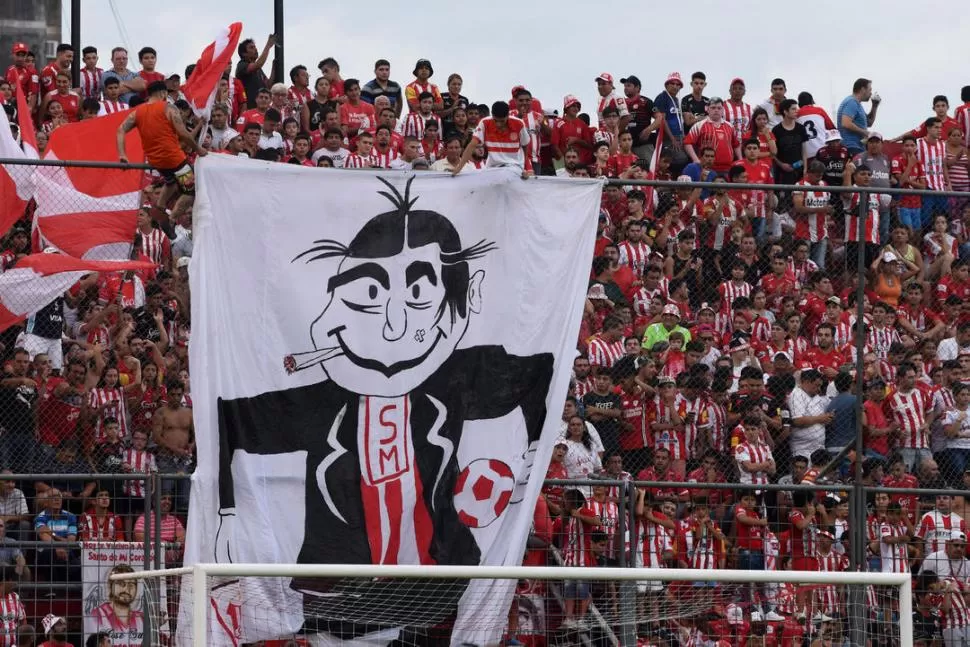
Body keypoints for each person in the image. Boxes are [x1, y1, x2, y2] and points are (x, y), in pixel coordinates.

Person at [117, 81, 206, 229]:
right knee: (191, 190)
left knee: (171, 182)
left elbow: (120, 130)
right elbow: (183, 133)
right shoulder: (168, 108)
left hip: (156, 161)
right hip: (174, 159)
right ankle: (170, 220)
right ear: (163, 93)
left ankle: (159, 207)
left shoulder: (137, 112)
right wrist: (198, 149)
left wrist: (122, 154)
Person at [837, 78, 880, 155]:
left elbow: (869, 123)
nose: (871, 93)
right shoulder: (851, 102)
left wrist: (874, 105)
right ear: (863, 89)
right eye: (870, 90)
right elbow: (846, 123)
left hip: (858, 146)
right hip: (851, 146)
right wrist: (865, 132)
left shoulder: (857, 104)